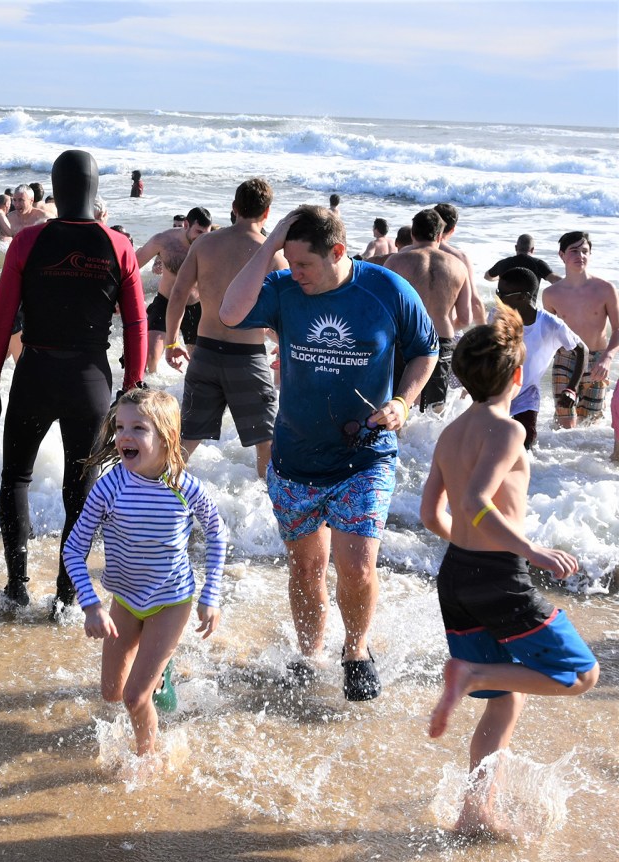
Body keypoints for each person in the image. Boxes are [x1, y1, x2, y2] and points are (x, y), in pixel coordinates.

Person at [219, 205, 438, 700]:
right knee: (306, 568)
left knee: (358, 564)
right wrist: (273, 239)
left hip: (365, 455)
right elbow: (230, 313)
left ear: (338, 252)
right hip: (296, 456)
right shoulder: (283, 289)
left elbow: (426, 349)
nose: (295, 274)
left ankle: (356, 650)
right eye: (289, 263)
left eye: (304, 265)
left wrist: (403, 400)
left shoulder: (385, 289)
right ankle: (310, 651)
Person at [420, 305, 599, 835]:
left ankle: (475, 812)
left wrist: (472, 549)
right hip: (501, 579)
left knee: (505, 701)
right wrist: (535, 553)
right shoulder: (508, 432)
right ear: (518, 375)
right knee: (582, 675)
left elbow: (434, 513)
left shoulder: (450, 433)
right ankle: (471, 673)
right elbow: (476, 499)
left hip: (456, 576)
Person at [0, 149, 147, 616]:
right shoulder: (119, 245)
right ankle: (67, 598)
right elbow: (135, 325)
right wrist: (132, 386)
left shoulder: (28, 241)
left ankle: (16, 587)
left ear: (57, 186)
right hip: (90, 382)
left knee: (15, 479)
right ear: (95, 189)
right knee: (81, 491)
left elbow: (0, 319)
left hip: (35, 373)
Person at [64, 389, 227, 756]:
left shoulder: (184, 487)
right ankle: (159, 675)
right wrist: (91, 605)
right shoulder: (110, 486)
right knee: (111, 693)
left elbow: (217, 532)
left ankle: (147, 760)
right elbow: (74, 548)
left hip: (171, 601)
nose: (125, 437)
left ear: (167, 438)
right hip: (126, 599)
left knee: (134, 697)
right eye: (120, 427)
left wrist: (210, 594)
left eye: (139, 428)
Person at [165, 178, 284, 477]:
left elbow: (178, 294)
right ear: (267, 213)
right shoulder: (272, 255)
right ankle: (273, 516)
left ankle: (158, 500)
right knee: (266, 444)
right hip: (248, 359)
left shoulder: (205, 243)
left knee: (186, 440)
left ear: (234, 208)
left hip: (204, 354)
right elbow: (288, 313)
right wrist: (286, 347)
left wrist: (171, 342)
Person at [383, 209, 471, 412]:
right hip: (441, 337)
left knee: (400, 402)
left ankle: (402, 443)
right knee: (434, 408)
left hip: (405, 337)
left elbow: (383, 308)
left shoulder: (396, 262)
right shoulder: (458, 266)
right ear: (440, 235)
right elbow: (465, 317)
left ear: (413, 234)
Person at [494, 267, 584, 449]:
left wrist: (572, 388)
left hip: (527, 395)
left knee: (525, 446)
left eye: (503, 294)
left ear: (524, 297)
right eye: (497, 292)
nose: (499, 299)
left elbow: (582, 349)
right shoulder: (497, 317)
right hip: (497, 393)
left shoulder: (551, 324)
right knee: (493, 444)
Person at [542, 231, 619, 430]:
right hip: (566, 358)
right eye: (574, 251)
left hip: (597, 360)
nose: (580, 256)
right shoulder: (551, 294)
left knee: (589, 424)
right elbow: (548, 334)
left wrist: (607, 358)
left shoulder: (605, 289)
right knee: (564, 423)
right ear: (562, 255)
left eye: (585, 251)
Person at [136, 206, 212, 374]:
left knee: (198, 364)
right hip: (166, 302)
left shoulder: (210, 245)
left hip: (195, 305)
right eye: (198, 232)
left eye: (206, 233)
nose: (202, 237)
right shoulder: (163, 241)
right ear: (186, 225)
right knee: (150, 357)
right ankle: (152, 392)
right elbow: (132, 266)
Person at [433, 202, 486, 326]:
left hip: (413, 333)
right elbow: (474, 303)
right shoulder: (459, 258)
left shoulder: (408, 252)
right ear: (452, 229)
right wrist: (485, 334)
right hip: (445, 331)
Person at [484, 234, 560, 287]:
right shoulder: (538, 264)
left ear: (516, 247)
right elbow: (556, 280)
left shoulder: (502, 263)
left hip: (504, 309)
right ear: (532, 249)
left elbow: (487, 276)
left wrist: (500, 277)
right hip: (528, 309)